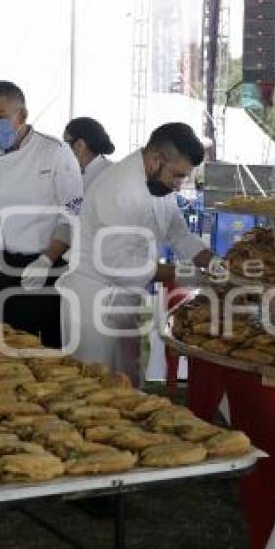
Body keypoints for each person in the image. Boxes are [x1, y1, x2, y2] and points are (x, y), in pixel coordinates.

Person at [58, 122, 216, 386]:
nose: (179, 186)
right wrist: (188, 275)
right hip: (94, 300)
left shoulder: (159, 185)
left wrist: (215, 264)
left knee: (127, 385)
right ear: (156, 160)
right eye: (177, 176)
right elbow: (119, 266)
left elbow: (179, 234)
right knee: (93, 389)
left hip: (125, 298)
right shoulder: (119, 188)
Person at [0, 80, 82, 347]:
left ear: (22, 115)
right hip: (0, 268)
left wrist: (47, 259)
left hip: (49, 268)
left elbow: (72, 213)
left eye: (0, 117)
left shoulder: (55, 152)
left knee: (48, 352)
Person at [63, 117, 115, 190]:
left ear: (80, 145)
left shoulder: (108, 174)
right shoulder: (74, 171)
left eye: (65, 144)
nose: (63, 150)